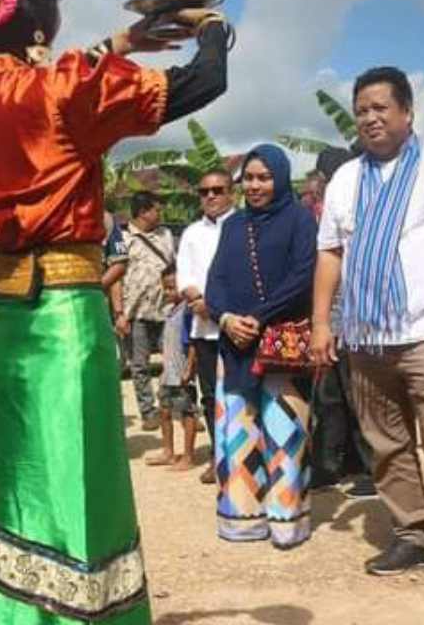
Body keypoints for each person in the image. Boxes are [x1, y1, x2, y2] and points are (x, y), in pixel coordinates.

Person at [0, 0, 230, 623]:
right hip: (66, 316)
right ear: (35, 12)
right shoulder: (67, 89)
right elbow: (202, 85)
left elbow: (36, 87)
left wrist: (121, 43)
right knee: (77, 484)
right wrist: (208, 27)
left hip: (7, 318)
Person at [311, 66, 424, 605]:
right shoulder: (347, 177)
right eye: (361, 108)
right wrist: (323, 322)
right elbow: (330, 253)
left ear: (407, 111)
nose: (369, 117)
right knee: (386, 447)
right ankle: (413, 534)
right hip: (366, 338)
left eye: (379, 107)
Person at [206, 145, 317, 548]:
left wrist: (259, 314)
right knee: (237, 431)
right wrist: (225, 317)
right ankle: (241, 518)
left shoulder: (300, 220)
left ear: (281, 179)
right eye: (249, 178)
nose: (255, 185)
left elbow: (304, 275)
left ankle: (287, 520)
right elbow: (215, 279)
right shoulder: (233, 226)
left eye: (264, 177)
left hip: (279, 342)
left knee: (284, 431)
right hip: (234, 343)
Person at [306, 147, 375, 498]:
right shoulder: (316, 213)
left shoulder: (358, 205)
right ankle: (329, 466)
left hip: (357, 319)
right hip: (327, 320)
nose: (319, 182)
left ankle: (372, 469)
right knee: (329, 397)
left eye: (323, 175)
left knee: (359, 396)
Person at [177, 168, 237, 484]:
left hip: (239, 327)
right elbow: (183, 276)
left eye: (218, 190)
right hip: (204, 328)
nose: (211, 196)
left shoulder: (245, 226)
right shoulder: (191, 233)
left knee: (242, 393)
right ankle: (218, 454)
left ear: (232, 192)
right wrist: (200, 302)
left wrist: (223, 311)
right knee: (211, 396)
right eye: (204, 192)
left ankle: (246, 456)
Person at [120, 191, 176, 431]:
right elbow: (116, 276)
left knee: (174, 361)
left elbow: (173, 266)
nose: (159, 213)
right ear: (143, 212)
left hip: (166, 309)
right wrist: (120, 313)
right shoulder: (122, 238)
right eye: (156, 209)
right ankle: (148, 411)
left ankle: (176, 408)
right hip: (136, 312)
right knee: (139, 365)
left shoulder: (165, 235)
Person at [145, 266, 198, 470]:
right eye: (165, 288)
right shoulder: (170, 311)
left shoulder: (188, 310)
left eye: (172, 288)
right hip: (168, 373)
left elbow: (193, 342)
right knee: (165, 411)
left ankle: (188, 456)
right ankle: (168, 451)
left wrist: (190, 368)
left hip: (182, 372)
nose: (168, 292)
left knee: (187, 412)